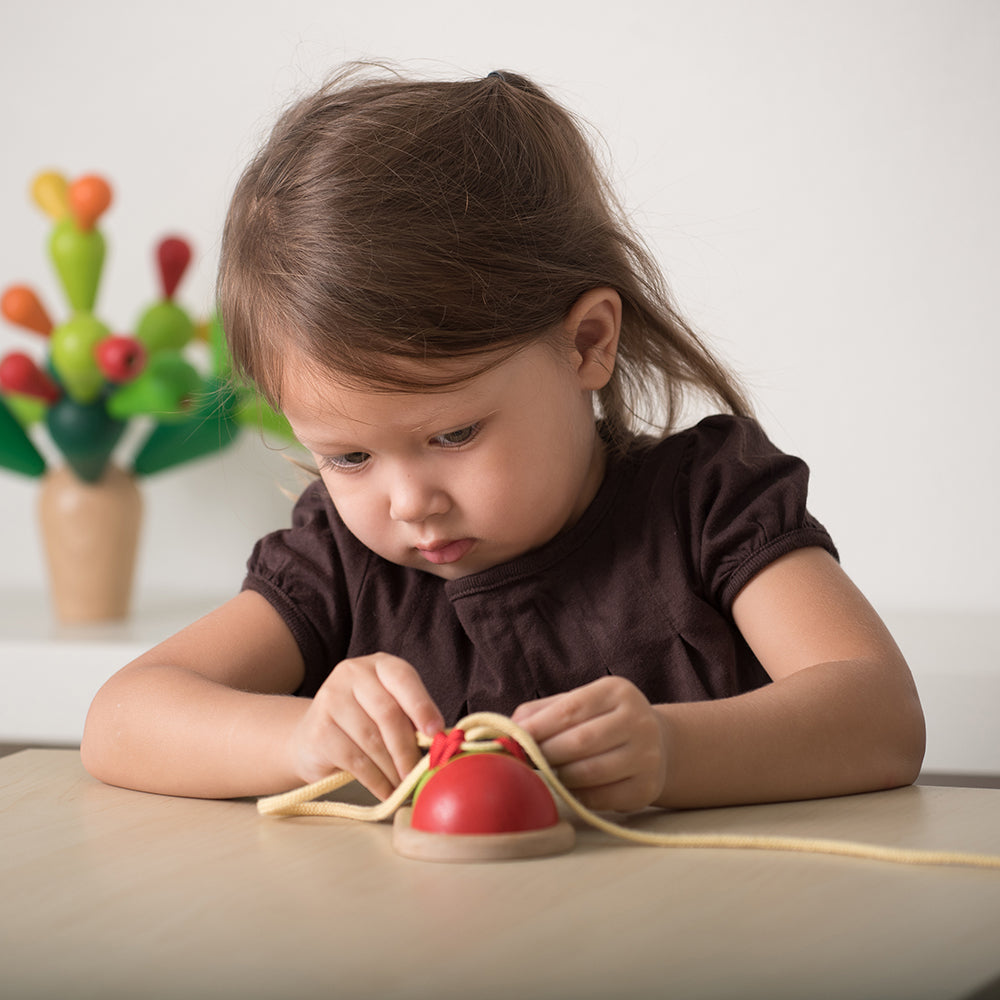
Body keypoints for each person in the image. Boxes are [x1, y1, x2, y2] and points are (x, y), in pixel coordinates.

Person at [81, 66, 925, 812]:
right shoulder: (341, 562)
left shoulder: (707, 506)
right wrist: (301, 739)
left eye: (452, 432)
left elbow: (879, 715)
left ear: (586, 343)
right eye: (350, 456)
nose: (410, 502)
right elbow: (122, 720)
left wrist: (671, 753)